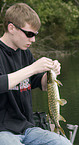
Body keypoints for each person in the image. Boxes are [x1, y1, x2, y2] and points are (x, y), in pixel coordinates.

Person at [0, 3, 72, 145]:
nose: (33, 40)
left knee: (64, 143)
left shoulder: (25, 53)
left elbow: (43, 84)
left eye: (35, 35)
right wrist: (33, 68)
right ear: (11, 28)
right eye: (29, 34)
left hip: (28, 128)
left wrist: (52, 73)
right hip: (3, 131)